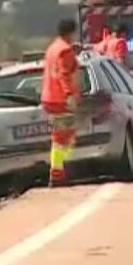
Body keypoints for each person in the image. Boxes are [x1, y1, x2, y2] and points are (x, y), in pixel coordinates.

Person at [41, 18, 82, 186]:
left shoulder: (53, 48)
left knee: (64, 136)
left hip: (49, 98)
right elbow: (64, 74)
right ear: (71, 32)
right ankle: (56, 172)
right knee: (63, 137)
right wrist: (69, 95)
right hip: (60, 100)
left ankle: (58, 168)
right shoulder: (65, 50)